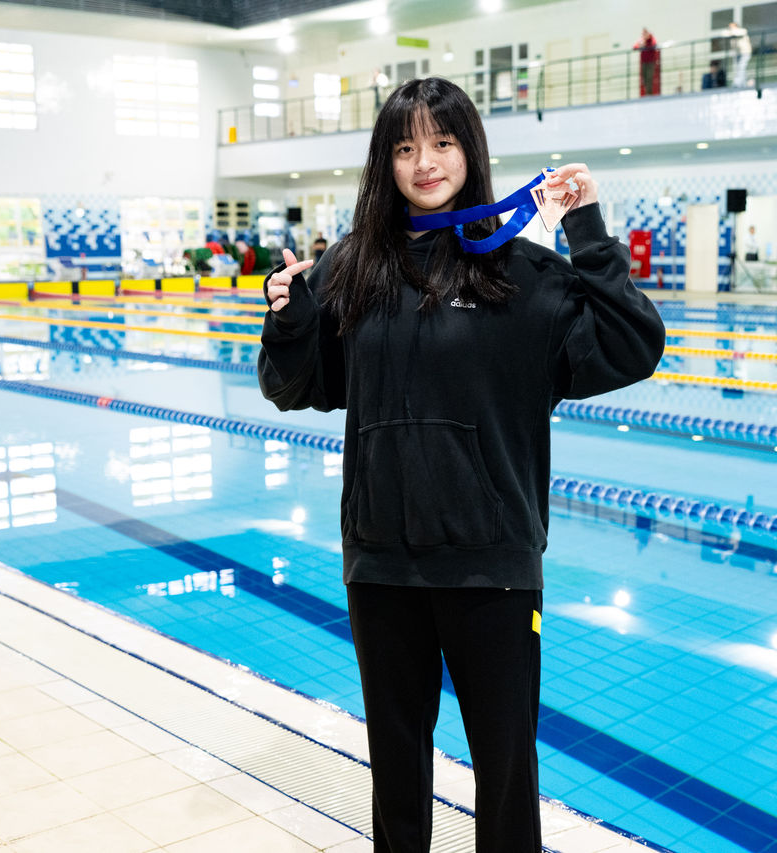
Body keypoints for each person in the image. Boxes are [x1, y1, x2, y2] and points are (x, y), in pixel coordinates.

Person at [257, 77, 665, 853]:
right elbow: (298, 387)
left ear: (469, 151)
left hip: (492, 569)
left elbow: (632, 343)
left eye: (442, 142)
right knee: (395, 773)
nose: (426, 162)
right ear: (385, 162)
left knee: (505, 772)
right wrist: (290, 318)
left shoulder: (522, 272)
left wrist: (586, 227)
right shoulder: (352, 267)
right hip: (382, 563)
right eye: (405, 147)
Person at [634, 27, 661, 96]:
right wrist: (640, 45)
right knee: (644, 79)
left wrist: (646, 44)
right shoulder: (641, 40)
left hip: (650, 62)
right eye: (643, 34)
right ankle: (647, 93)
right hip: (643, 62)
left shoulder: (652, 39)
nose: (644, 35)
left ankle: (649, 94)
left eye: (645, 33)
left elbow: (653, 45)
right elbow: (635, 47)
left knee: (649, 77)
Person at [727, 21, 753, 87]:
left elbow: (740, 33)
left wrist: (732, 32)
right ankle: (744, 83)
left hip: (745, 52)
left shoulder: (742, 31)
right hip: (738, 54)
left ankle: (737, 83)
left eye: (732, 27)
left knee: (741, 67)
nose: (731, 28)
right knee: (739, 68)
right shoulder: (731, 34)